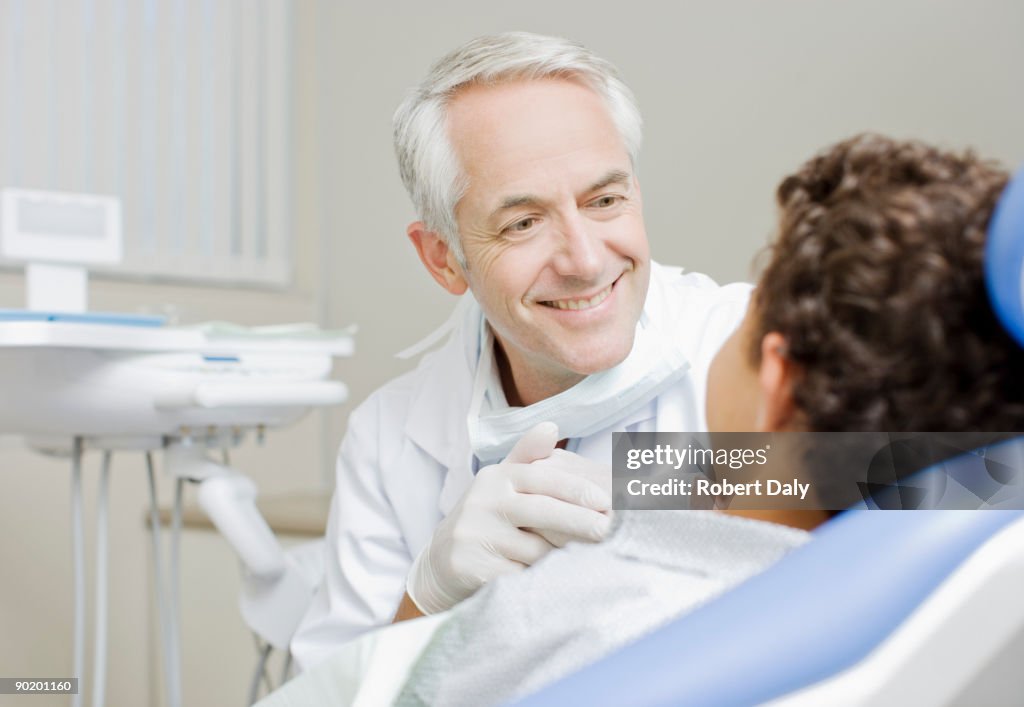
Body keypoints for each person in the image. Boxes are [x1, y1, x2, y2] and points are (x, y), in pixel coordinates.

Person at [392, 134, 1024, 706]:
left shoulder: (560, 620)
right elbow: (797, 469)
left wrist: (425, 598)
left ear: (778, 382)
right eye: (524, 221)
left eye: (753, 305)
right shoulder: (983, 563)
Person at [290, 32, 749, 670]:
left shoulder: (753, 340)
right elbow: (329, 691)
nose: (585, 261)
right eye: (522, 223)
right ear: (445, 258)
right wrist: (428, 598)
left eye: (605, 200)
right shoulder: (389, 440)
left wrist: (697, 485)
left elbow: (929, 484)